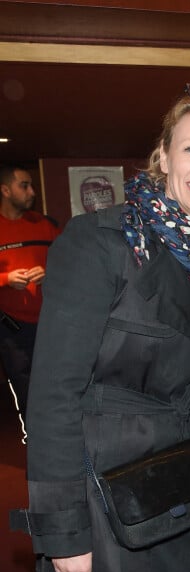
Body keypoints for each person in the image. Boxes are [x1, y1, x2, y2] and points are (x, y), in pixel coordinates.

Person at [17, 87, 190, 572]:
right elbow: (54, 396)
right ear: (163, 156)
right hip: (104, 500)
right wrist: (65, 533)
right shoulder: (99, 242)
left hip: (180, 486)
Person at [0, 165, 60, 429]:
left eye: (32, 185)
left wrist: (49, 272)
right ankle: (36, 441)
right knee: (25, 389)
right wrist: (5, 280)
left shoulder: (44, 225)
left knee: (57, 384)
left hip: (50, 323)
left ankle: (63, 440)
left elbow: (70, 263)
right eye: (24, 185)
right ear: (5, 190)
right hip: (11, 328)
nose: (32, 192)